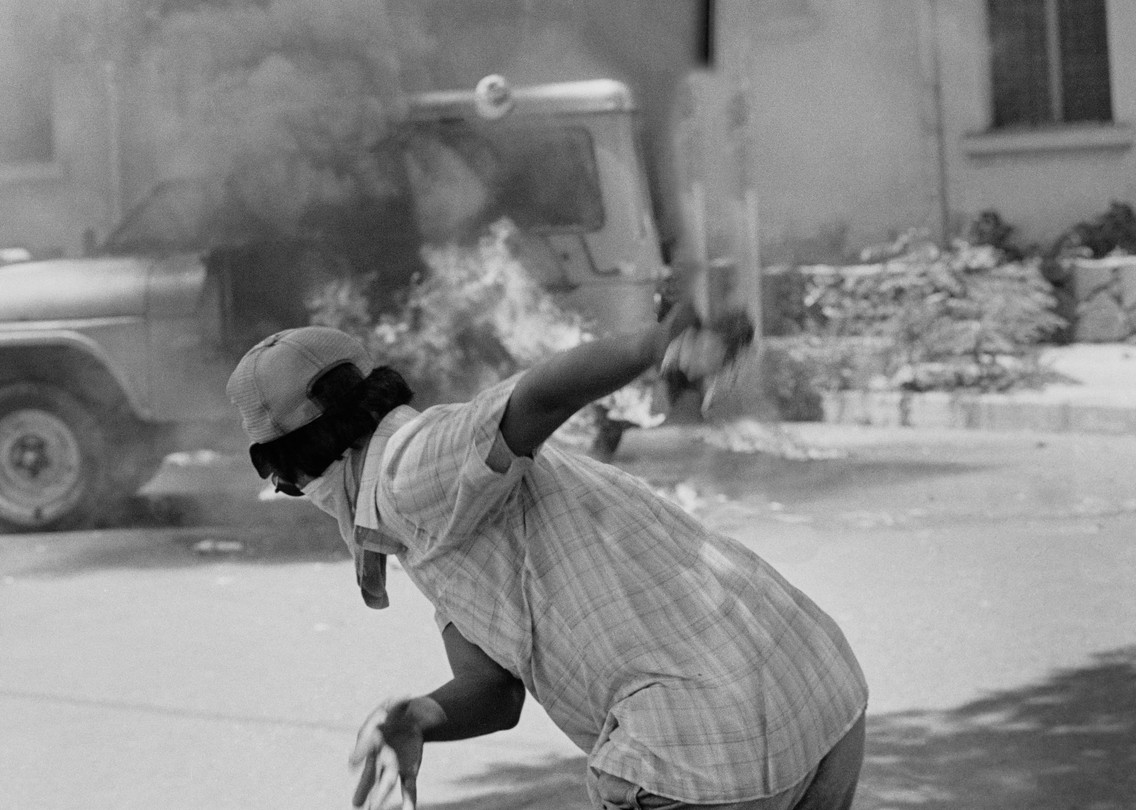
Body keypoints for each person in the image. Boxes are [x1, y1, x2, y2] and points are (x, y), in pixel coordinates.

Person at [227, 305, 868, 810]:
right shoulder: (424, 520)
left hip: (700, 749)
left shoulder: (404, 471)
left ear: (299, 465)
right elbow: (493, 691)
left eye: (285, 481)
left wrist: (659, 342)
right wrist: (418, 719)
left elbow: (534, 400)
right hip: (815, 693)